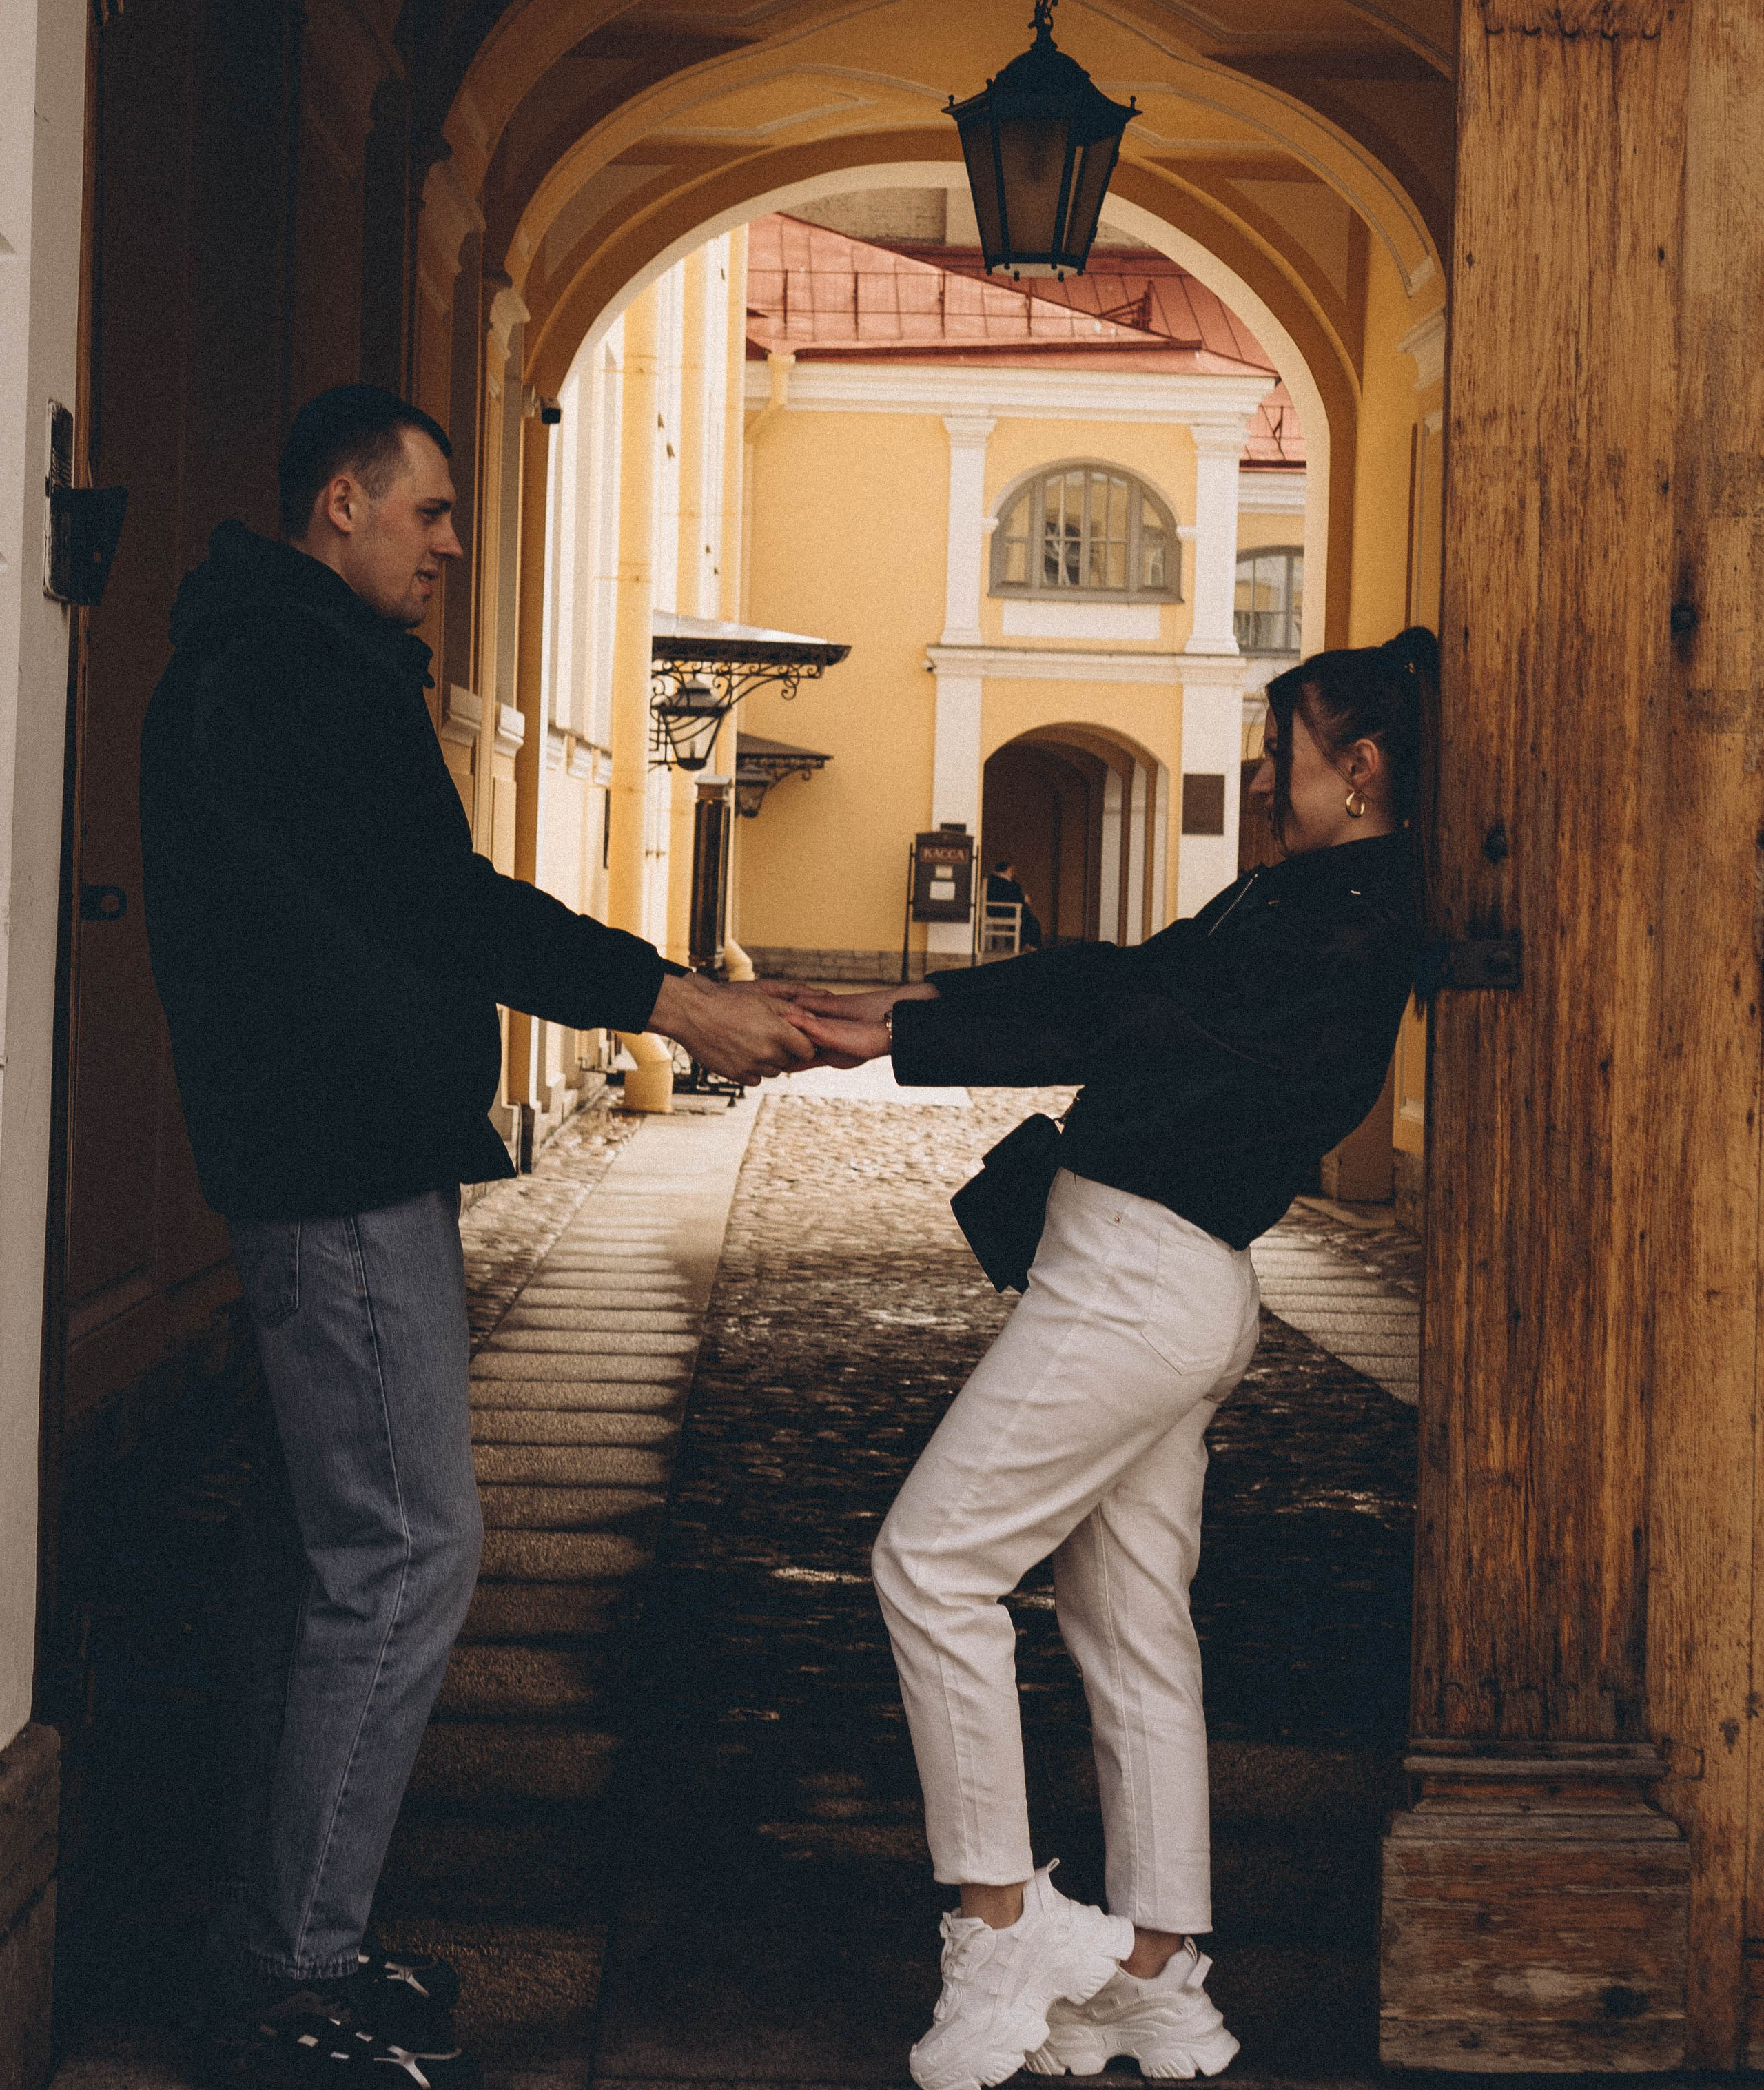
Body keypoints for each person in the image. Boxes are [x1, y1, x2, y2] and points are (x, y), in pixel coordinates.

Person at [139, 385, 816, 2087]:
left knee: (324, 1558)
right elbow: (433, 905)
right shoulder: (287, 674)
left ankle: (279, 1941)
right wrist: (667, 995)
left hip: (334, 1154)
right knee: (407, 1555)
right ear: (342, 503)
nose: (451, 545)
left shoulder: (282, 658)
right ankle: (290, 1976)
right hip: (336, 1163)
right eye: (430, 512)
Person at [784, 631, 1439, 2090]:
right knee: (1130, 1624)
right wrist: (895, 1021)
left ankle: (999, 1918)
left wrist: (893, 1031)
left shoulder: (1335, 925)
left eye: (1283, 755)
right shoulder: (1312, 902)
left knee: (928, 1564)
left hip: (1136, 1285)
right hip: (1154, 1280)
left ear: (1362, 766)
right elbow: (1126, 979)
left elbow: (1119, 1005)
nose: (1265, 779)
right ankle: (1155, 1974)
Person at [984, 861, 1043, 954]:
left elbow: (1014, 894)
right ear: (1006, 869)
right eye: (1011, 869)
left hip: (1010, 908)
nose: (1013, 871)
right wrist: (1023, 899)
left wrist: (1024, 899)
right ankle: (1032, 945)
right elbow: (1006, 897)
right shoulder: (997, 881)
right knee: (1031, 920)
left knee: (1029, 918)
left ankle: (1029, 943)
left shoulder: (1007, 880)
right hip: (1001, 909)